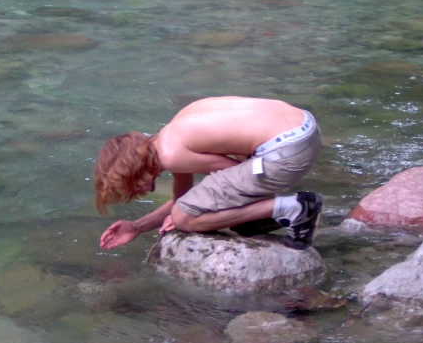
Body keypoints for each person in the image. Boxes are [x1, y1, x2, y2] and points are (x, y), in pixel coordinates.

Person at [95, 96, 323, 250]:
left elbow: (232, 171)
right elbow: (182, 199)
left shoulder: (171, 155)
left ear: (134, 168)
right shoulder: (171, 133)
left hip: (286, 153)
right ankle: (267, 215)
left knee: (185, 218)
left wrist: (181, 216)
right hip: (305, 127)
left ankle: (295, 208)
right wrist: (137, 226)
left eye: (132, 184)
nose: (138, 191)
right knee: (196, 209)